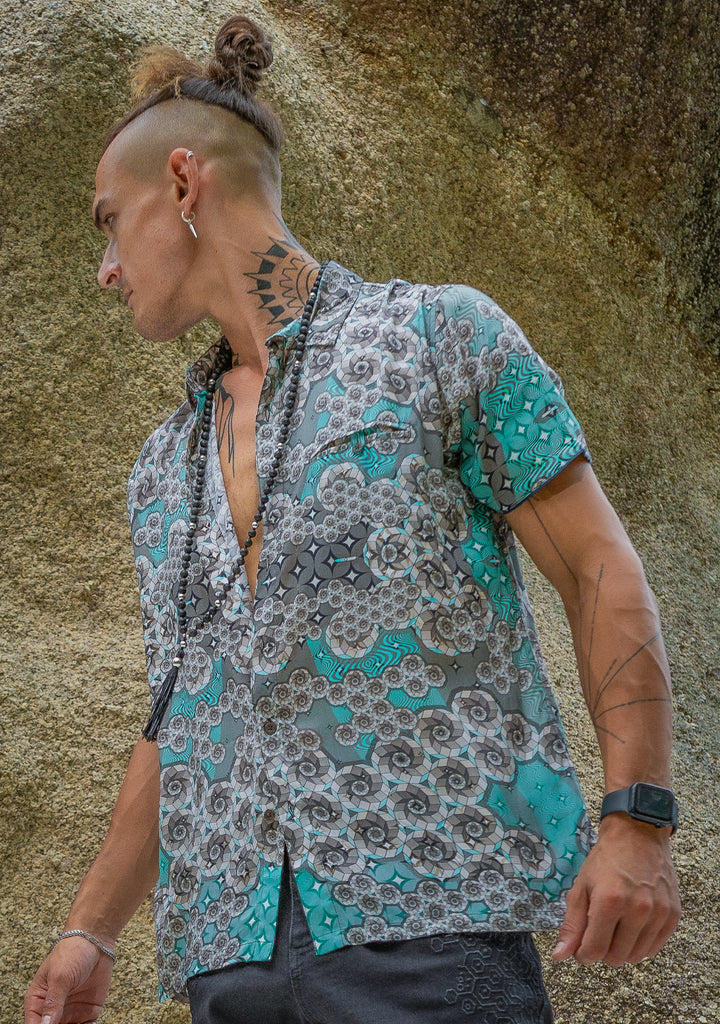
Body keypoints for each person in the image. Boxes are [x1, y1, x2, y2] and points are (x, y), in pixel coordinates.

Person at [24, 14, 681, 1024]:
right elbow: (182, 712)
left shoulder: (437, 338)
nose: (106, 268)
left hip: (430, 931)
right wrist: (91, 929)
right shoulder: (161, 469)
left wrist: (639, 818)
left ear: (185, 183)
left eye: (109, 221)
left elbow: (597, 566)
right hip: (229, 966)